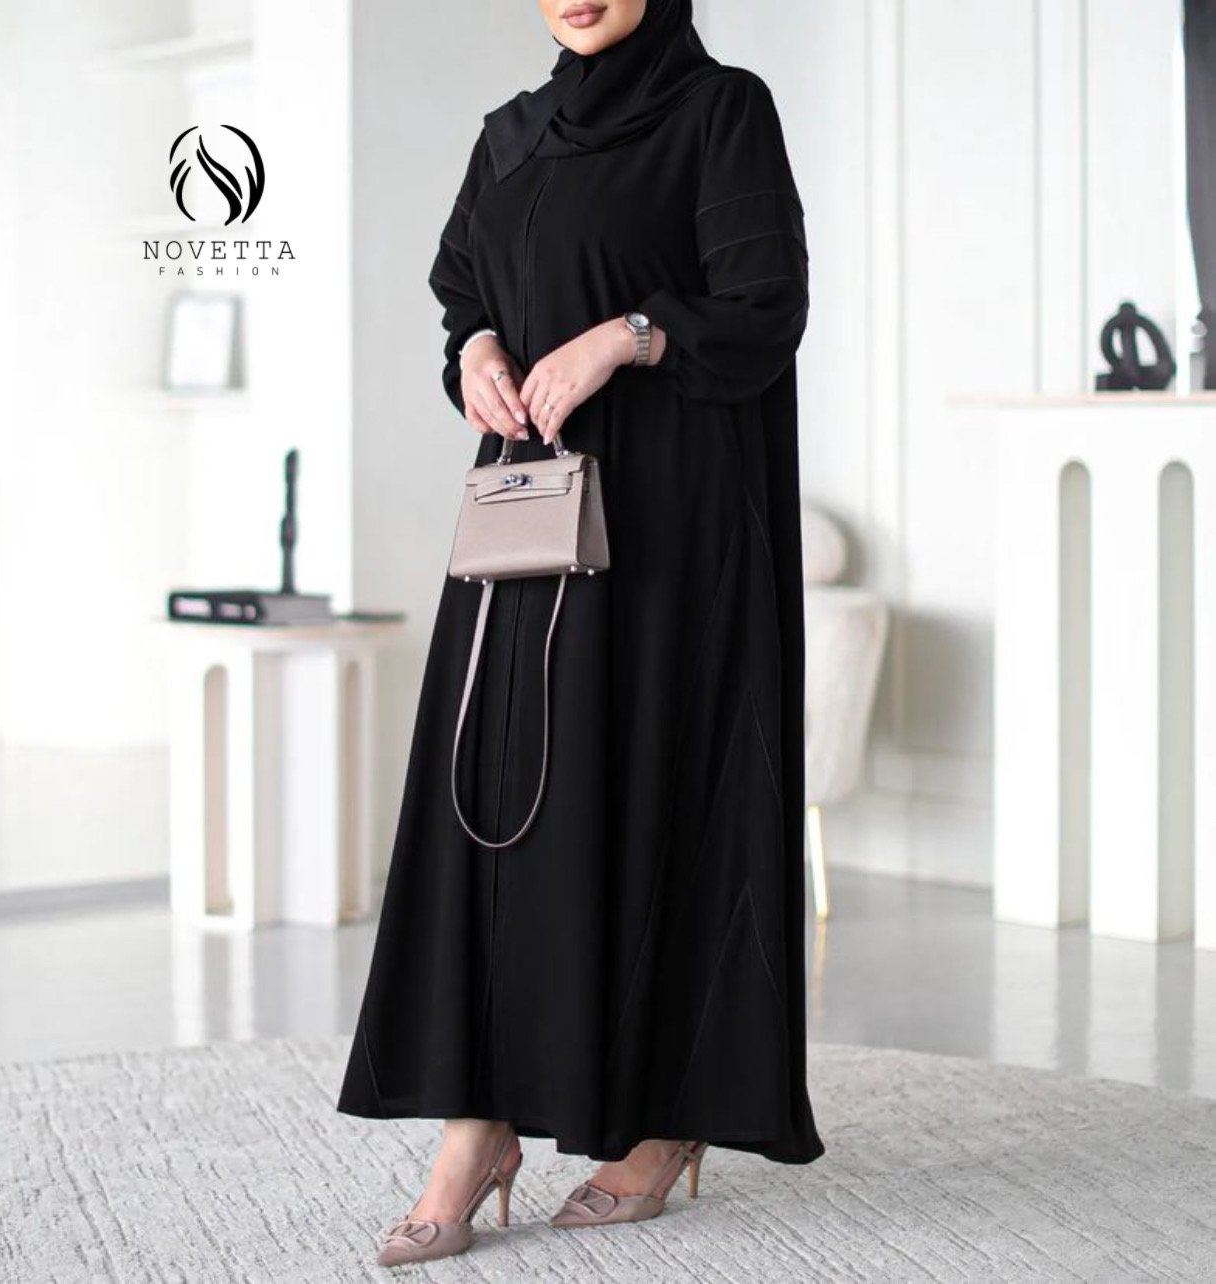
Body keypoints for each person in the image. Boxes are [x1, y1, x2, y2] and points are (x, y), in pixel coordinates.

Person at [336, 0, 826, 1266]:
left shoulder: (721, 112)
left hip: (673, 529)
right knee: (496, 803)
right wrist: (476, 353)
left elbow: (765, 303)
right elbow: (463, 288)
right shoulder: (511, 134)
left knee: (652, 796)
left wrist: (624, 338)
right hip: (527, 515)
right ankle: (478, 1123)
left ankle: (663, 1124)